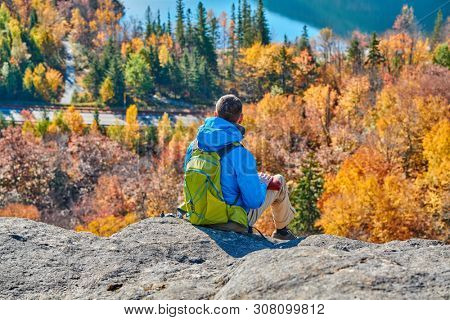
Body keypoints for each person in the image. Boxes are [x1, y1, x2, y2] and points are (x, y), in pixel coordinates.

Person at [183, 94, 297, 240]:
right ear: (241, 118)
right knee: (278, 180)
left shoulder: (194, 146)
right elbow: (254, 201)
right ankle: (282, 233)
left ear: (215, 114)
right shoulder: (240, 154)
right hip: (229, 220)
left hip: (198, 213)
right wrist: (262, 183)